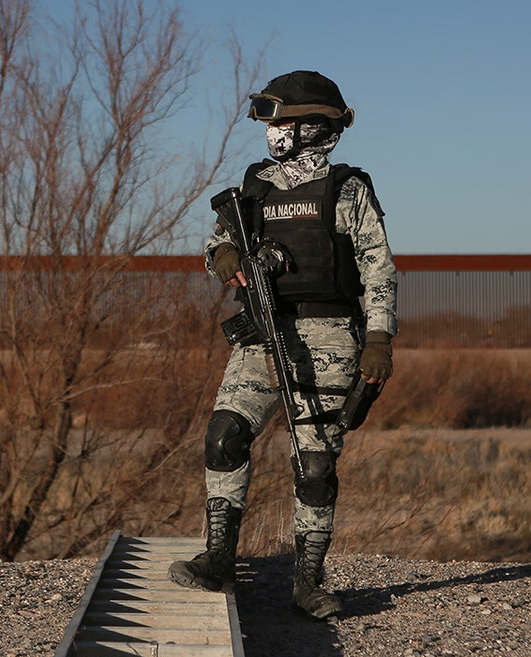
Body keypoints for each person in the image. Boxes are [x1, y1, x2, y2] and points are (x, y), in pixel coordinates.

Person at [168, 70, 398, 621]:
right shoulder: (254, 186)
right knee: (224, 436)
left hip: (331, 339)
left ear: (316, 128)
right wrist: (223, 258)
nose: (273, 132)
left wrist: (380, 339)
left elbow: (378, 268)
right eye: (272, 123)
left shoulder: (348, 189)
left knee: (314, 465)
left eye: (284, 122)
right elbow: (219, 241)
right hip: (261, 336)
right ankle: (220, 557)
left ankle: (308, 581)